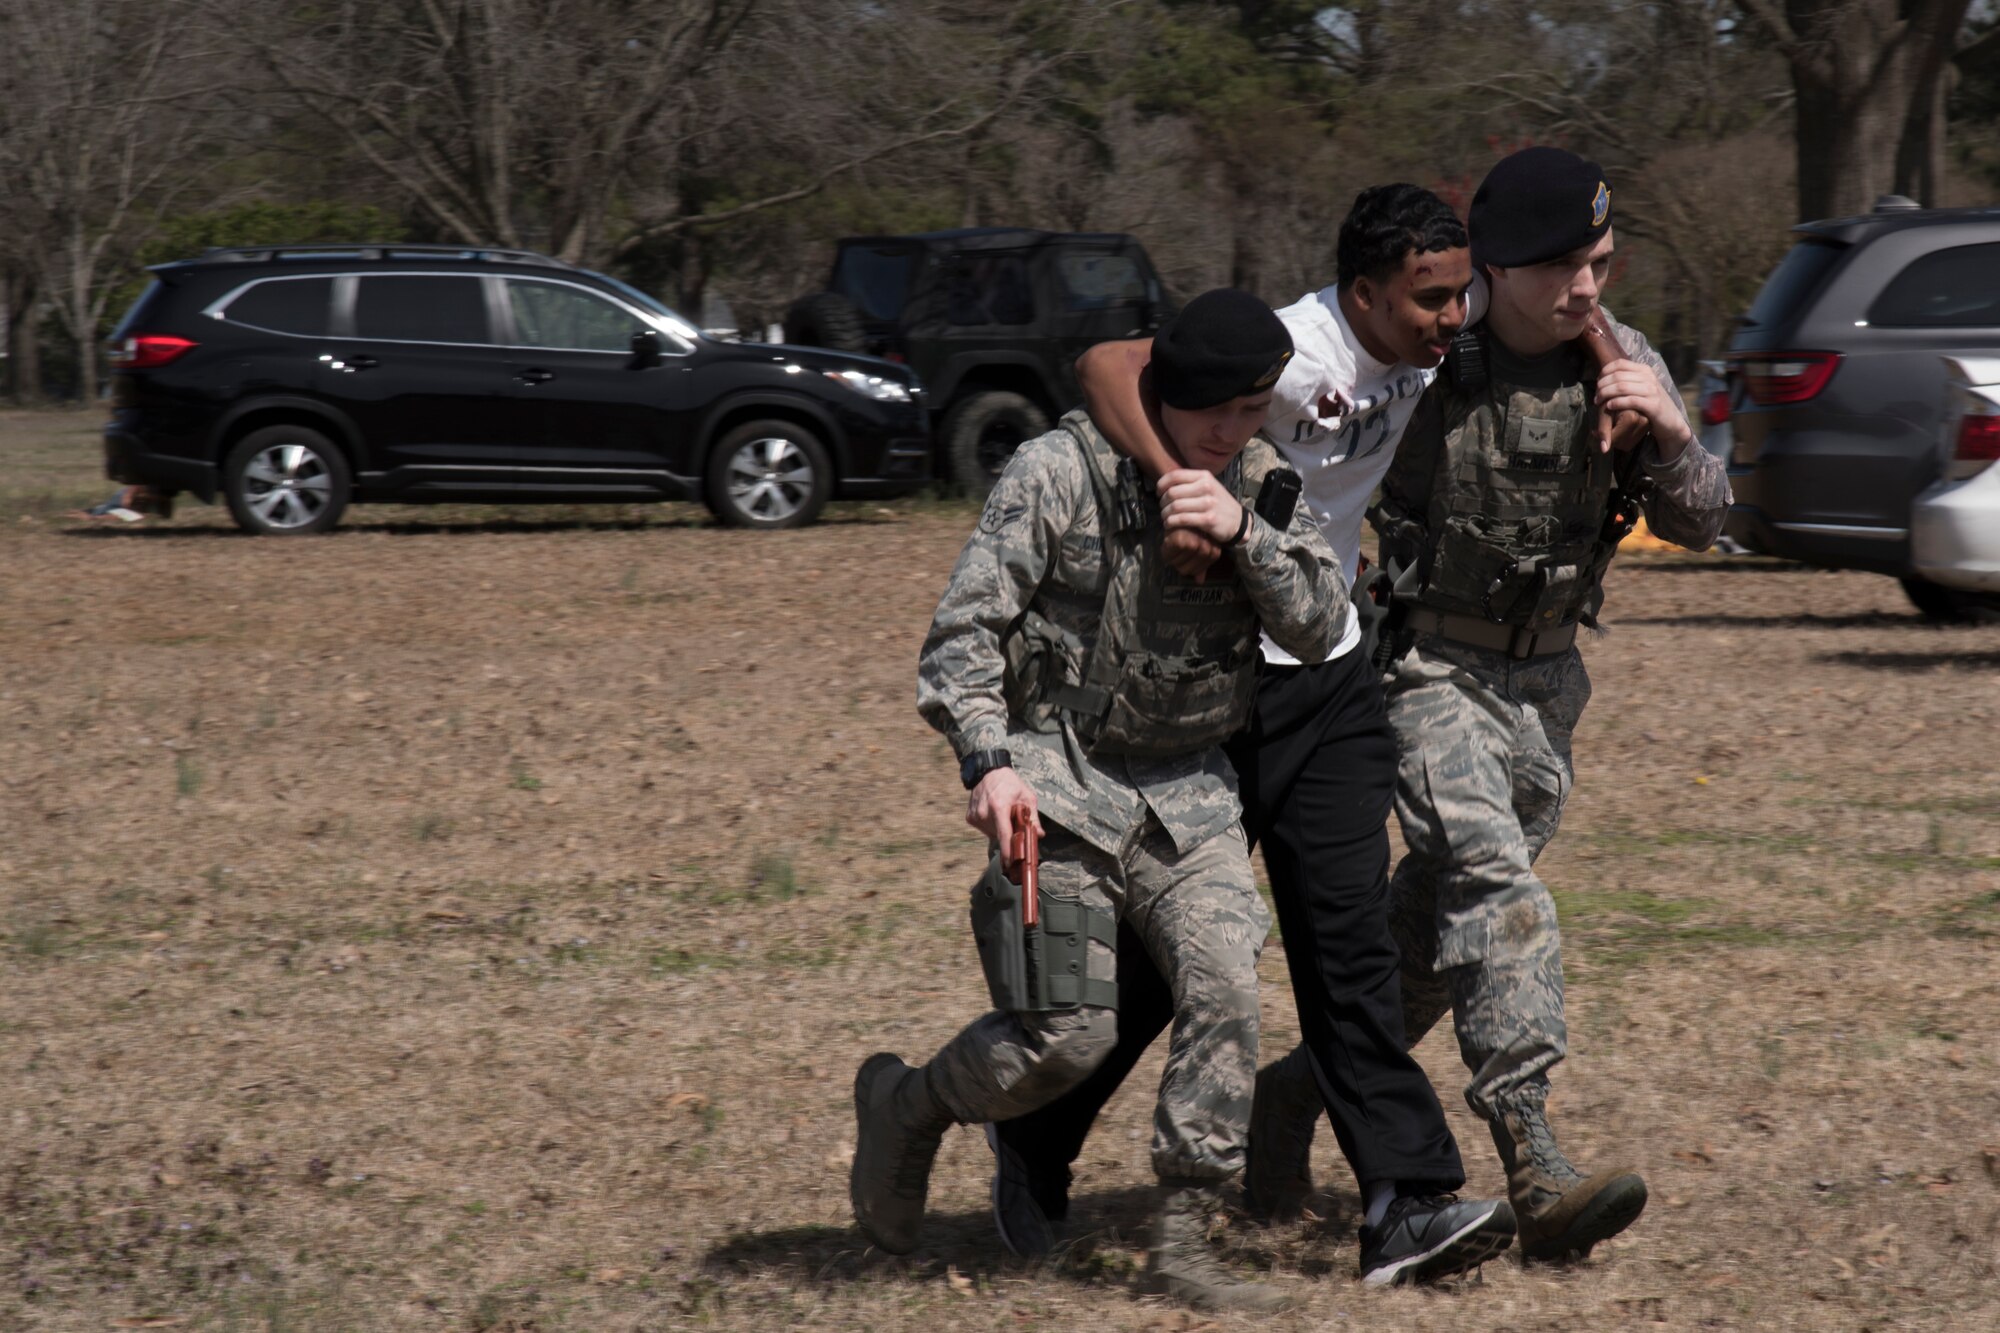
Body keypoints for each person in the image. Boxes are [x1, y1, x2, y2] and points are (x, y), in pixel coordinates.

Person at [986, 185, 1518, 1288]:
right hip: (1214, 697)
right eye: (1428, 297)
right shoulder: (1292, 350)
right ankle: (1031, 1141)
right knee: (1156, 967)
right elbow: (1103, 365)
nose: (1449, 316)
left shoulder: (1429, 339)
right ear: (1362, 292)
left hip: (1326, 673)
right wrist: (1179, 486)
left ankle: (1401, 1202)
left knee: (1346, 946)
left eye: (1459, 291)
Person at [849, 289, 1343, 1312]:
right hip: (1055, 783)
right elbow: (961, 638)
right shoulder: (1057, 472)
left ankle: (1183, 1235)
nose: (1227, 432)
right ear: (1162, 388)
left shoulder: (1261, 482)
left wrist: (1245, 530)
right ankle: (909, 1106)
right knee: (1063, 1036)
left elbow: (1319, 624)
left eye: (1249, 411)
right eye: (1211, 410)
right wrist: (987, 761)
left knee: (1225, 986)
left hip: (1187, 797)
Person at [1340, 146, 1730, 1260]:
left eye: (1599, 263)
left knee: (1434, 925)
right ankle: (1529, 1148)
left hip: (1547, 687)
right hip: (1428, 671)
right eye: (1559, 267)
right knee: (1494, 886)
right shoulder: (1424, 360)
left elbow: (1706, 518)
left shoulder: (1623, 360)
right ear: (1494, 269)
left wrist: (1664, 429)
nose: (1584, 290)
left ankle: (1301, 1090)